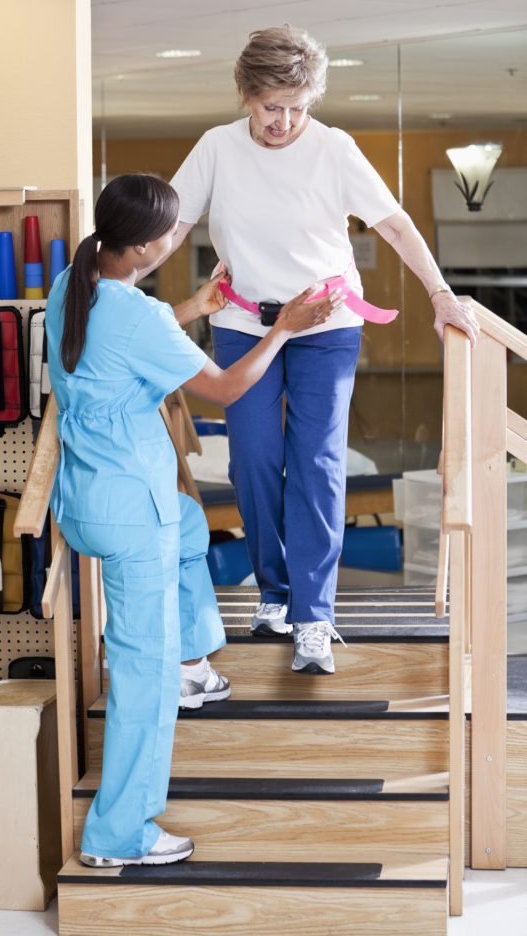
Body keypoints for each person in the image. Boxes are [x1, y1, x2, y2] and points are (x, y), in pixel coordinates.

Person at [45, 173, 342, 868]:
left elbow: (123, 338)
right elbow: (229, 387)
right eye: (174, 230)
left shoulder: (75, 284)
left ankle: (191, 660)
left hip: (88, 503)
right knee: (140, 687)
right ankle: (119, 836)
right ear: (150, 243)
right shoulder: (135, 314)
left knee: (191, 522)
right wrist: (283, 328)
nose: (177, 238)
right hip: (131, 518)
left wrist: (193, 306)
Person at [168, 24, 479, 676]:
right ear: (245, 95)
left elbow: (392, 223)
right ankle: (274, 590)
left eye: (295, 108)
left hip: (326, 325)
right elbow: (171, 226)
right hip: (244, 324)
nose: (283, 122)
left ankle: (312, 613)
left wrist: (441, 293)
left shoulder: (333, 148)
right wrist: (110, 282)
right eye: (269, 107)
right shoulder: (216, 148)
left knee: (316, 461)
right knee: (253, 460)